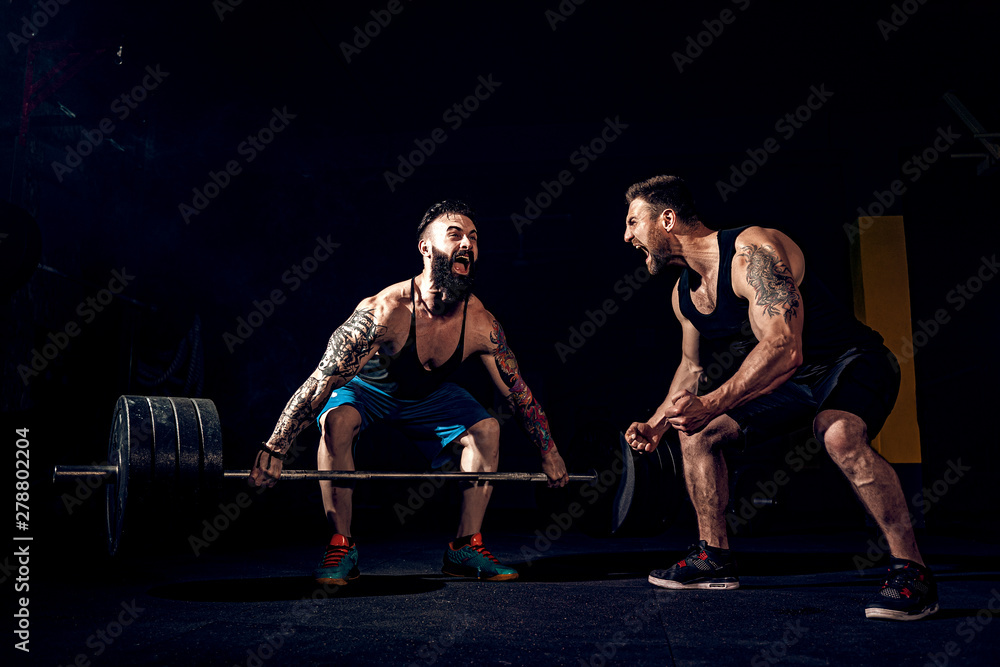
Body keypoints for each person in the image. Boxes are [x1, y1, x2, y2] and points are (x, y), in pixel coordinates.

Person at [621, 175, 937, 621]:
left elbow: (785, 347)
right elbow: (690, 370)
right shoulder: (683, 295)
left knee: (837, 433)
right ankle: (713, 556)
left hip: (851, 362)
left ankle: (913, 572)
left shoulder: (753, 251)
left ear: (667, 219)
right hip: (790, 381)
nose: (627, 235)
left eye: (634, 222)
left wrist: (712, 403)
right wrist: (657, 423)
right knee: (697, 432)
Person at [248, 200, 569, 584]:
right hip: (368, 390)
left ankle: (465, 546)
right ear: (425, 247)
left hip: (430, 399)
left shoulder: (482, 324)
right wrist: (275, 447)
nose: (467, 243)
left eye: (473, 237)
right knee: (337, 419)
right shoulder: (385, 311)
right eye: (455, 234)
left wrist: (549, 451)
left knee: (487, 430)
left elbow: (519, 395)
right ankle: (341, 546)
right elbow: (322, 380)